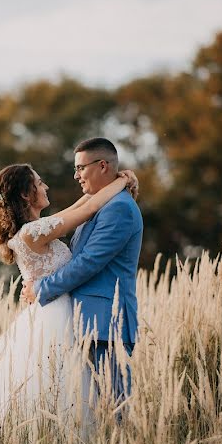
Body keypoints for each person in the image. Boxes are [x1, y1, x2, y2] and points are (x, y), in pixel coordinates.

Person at [0, 160, 138, 444]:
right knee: (59, 386)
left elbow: (80, 206)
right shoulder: (34, 232)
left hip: (55, 309)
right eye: (40, 183)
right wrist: (122, 182)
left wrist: (115, 181)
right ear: (28, 195)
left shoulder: (36, 229)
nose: (46, 186)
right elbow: (88, 210)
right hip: (55, 313)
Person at [22, 137, 143, 423]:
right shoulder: (99, 207)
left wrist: (41, 288)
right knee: (89, 414)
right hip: (83, 322)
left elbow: (87, 263)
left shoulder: (120, 209)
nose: (76, 175)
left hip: (106, 324)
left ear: (102, 166)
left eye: (80, 168)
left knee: (116, 412)